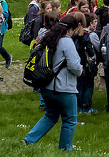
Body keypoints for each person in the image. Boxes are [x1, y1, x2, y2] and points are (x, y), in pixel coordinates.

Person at [24, 15, 83, 152]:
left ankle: (29, 140)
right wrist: (80, 70)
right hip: (64, 88)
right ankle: (65, 149)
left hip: (46, 85)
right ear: (71, 29)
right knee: (69, 120)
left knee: (50, 116)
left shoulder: (48, 38)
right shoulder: (67, 42)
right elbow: (74, 66)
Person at [76, 12, 101, 113]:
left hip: (78, 62)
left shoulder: (75, 33)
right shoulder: (87, 35)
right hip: (87, 62)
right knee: (88, 85)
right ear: (89, 23)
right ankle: (86, 107)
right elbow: (91, 51)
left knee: (79, 85)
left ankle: (79, 106)